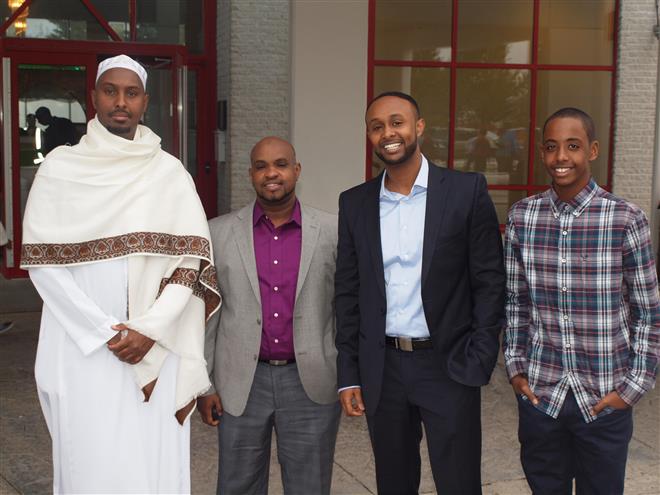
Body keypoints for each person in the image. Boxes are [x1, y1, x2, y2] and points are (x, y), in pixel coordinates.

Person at [20, 54, 220, 494]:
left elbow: (189, 264)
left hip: (156, 347)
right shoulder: (61, 168)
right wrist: (102, 331)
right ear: (94, 97)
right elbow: (43, 264)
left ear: (145, 101)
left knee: (152, 462)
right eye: (111, 91)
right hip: (82, 348)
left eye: (131, 93)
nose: (120, 102)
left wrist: (149, 329)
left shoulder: (168, 172)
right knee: (89, 462)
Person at [335, 91, 505, 494]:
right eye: (376, 127)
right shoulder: (355, 203)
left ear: (419, 127)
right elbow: (348, 293)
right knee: (394, 483)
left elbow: (489, 280)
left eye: (397, 122)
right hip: (383, 368)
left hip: (449, 365)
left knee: (459, 483)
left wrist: (480, 355)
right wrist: (349, 374)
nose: (387, 133)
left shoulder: (465, 191)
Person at [503, 107, 660, 494]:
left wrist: (632, 389)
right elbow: (516, 302)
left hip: (604, 400)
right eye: (551, 146)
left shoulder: (626, 219)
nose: (561, 157)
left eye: (572, 146)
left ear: (592, 150)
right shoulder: (522, 218)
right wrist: (516, 369)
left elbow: (648, 314)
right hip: (542, 398)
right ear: (542, 152)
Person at [198, 136, 341, 495]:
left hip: (311, 383)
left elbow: (346, 309)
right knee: (238, 486)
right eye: (261, 166)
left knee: (309, 487)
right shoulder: (218, 232)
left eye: (280, 164)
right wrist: (205, 384)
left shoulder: (332, 231)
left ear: (297, 170)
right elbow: (209, 314)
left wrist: (349, 376)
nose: (271, 173)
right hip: (240, 384)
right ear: (251, 174)